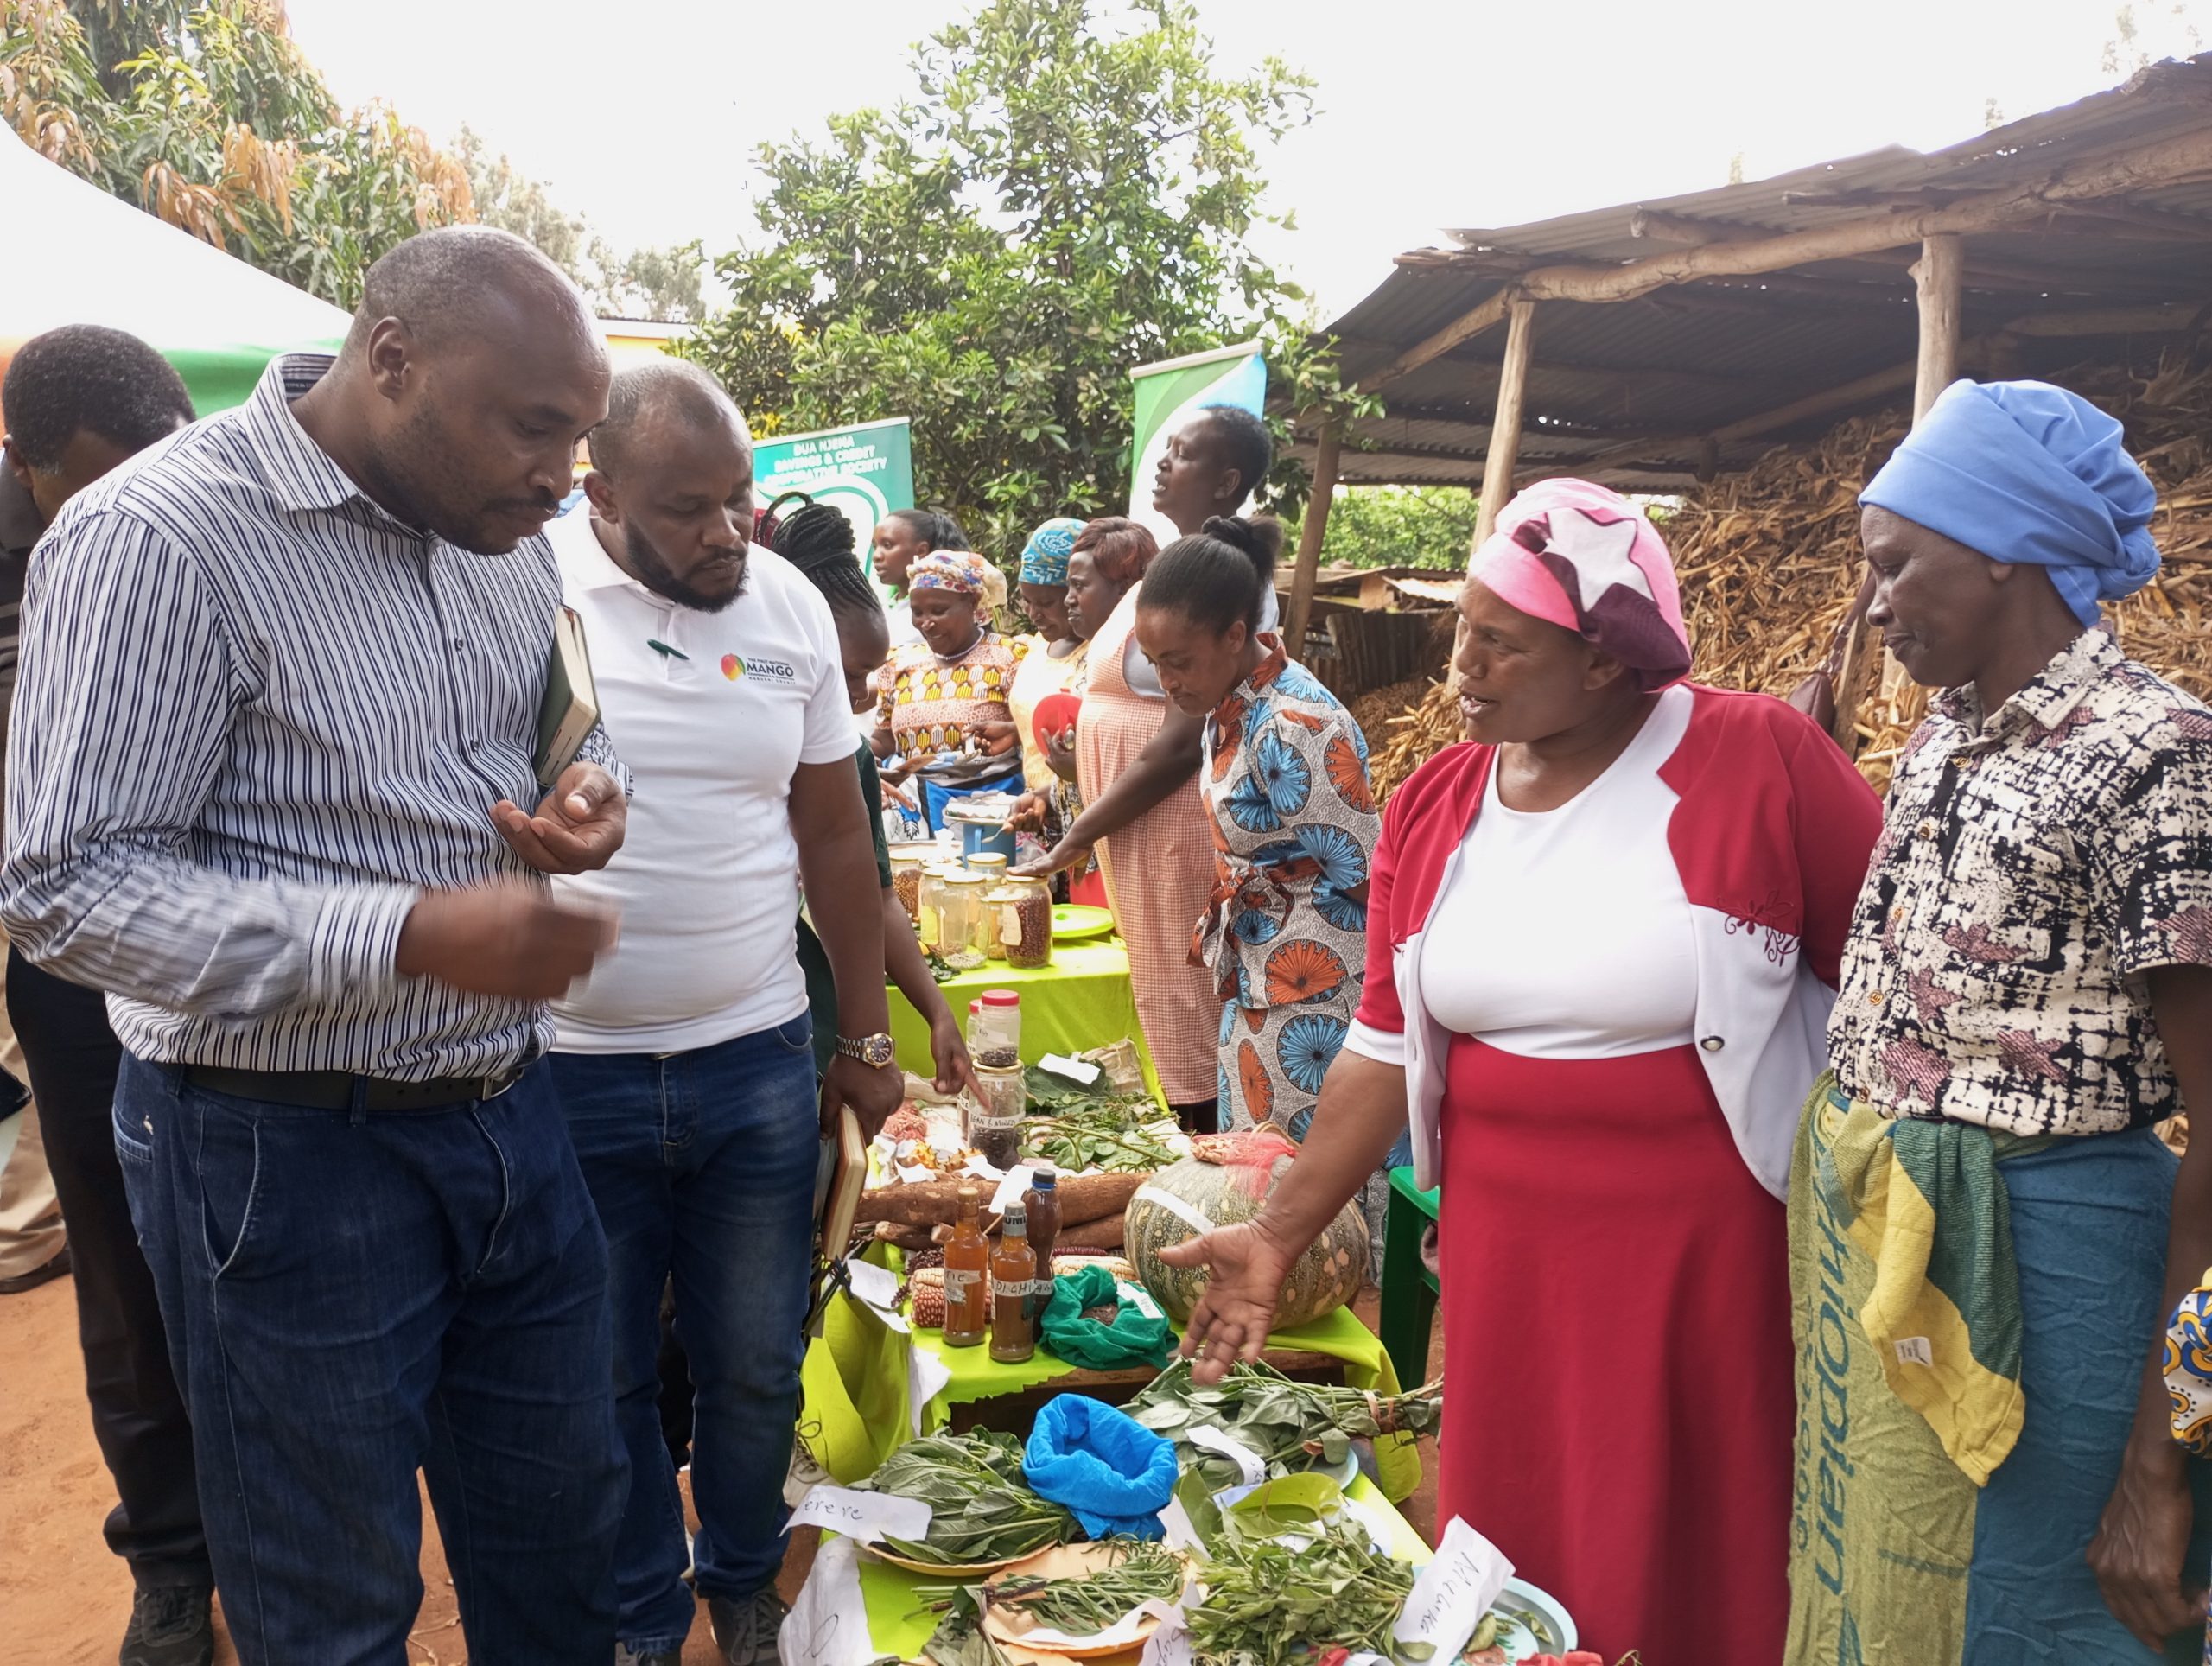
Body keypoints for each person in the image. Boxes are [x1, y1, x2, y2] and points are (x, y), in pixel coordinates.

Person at [1, 226, 635, 1666]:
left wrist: (589, 797)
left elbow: (562, 732)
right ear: (393, 360)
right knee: (332, 1607)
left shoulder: (500, 541)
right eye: (535, 428)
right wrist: (408, 931)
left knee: (560, 1556)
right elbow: (67, 889)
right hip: (277, 1157)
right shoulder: (160, 537)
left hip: (510, 1120)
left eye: (579, 437)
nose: (562, 476)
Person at [1160, 480, 1883, 1664]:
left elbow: (1895, 981)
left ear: (1606, 662)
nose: (1463, 667)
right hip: (1508, 1250)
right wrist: (1280, 1234)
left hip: (1703, 1250)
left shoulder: (1757, 759)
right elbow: (1383, 1050)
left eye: (1503, 643)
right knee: (1523, 1516)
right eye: (1463, 631)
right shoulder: (1443, 803)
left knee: (1702, 1526)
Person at [1793, 379, 2212, 1663]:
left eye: (1896, 566)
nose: (1875, 604)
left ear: (2004, 554)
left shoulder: (2158, 753)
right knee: (1900, 1589)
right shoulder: (1947, 736)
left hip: (2063, 1280)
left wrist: (2164, 1448)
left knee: (2034, 1613)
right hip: (1908, 1258)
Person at [542, 363, 902, 1666]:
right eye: (687, 510)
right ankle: (645, 1606)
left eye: (739, 500)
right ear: (603, 497)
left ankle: (740, 1578)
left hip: (754, 1060)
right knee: (604, 1376)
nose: (724, 534)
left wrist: (860, 1037)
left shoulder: (792, 604)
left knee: (756, 1360)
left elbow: (836, 838)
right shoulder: (523, 589)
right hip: (567, 1072)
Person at [2, 325, 213, 1665]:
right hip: (74, 965)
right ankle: (172, 1557)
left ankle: (279, 1519)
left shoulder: (207, 516)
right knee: (127, 1272)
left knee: (265, 1241)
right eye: (90, 485)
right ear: (21, 469)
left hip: (225, 947)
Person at [1134, 515, 1409, 1270]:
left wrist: (1369, 1011)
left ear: (1235, 635)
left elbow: (1364, 870)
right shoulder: (1227, 711)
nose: (1169, 681)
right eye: (1155, 663)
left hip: (1318, 989)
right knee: (1260, 1163)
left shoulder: (1297, 722)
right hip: (1263, 969)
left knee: (1311, 1178)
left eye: (1179, 660)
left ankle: (1343, 1335)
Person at [1020, 409, 1275, 1130]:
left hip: (1171, 828)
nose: (1162, 465)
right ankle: (1194, 1152)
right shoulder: (1173, 563)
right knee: (1165, 1001)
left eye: (1183, 455)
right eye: (1163, 452)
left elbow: (1177, 741)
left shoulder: (1228, 583)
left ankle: (1211, 1160)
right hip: (1135, 831)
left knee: (1186, 1006)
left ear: (1227, 480)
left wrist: (1076, 837)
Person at [870, 549, 1027, 833]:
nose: (926, 623)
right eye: (917, 612)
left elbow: (1030, 730)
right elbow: (884, 739)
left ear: (972, 603)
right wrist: (863, 757)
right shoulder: (899, 663)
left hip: (992, 815)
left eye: (938, 611)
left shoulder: (1011, 657)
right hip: (917, 815)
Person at [870, 506, 968, 653]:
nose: (877, 556)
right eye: (875, 547)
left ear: (921, 551)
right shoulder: (880, 606)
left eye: (888, 545)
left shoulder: (947, 608)